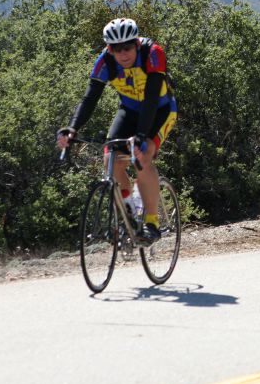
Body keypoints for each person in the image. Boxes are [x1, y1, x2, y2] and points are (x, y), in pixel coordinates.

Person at [57, 17, 178, 245]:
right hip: (129, 110)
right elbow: (90, 98)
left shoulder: (153, 53)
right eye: (116, 49)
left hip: (160, 110)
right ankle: (129, 210)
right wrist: (72, 127)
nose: (123, 54)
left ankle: (152, 223)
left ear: (136, 43)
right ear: (109, 49)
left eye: (128, 47)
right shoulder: (106, 62)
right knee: (110, 158)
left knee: (143, 154)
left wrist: (142, 136)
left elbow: (152, 98)